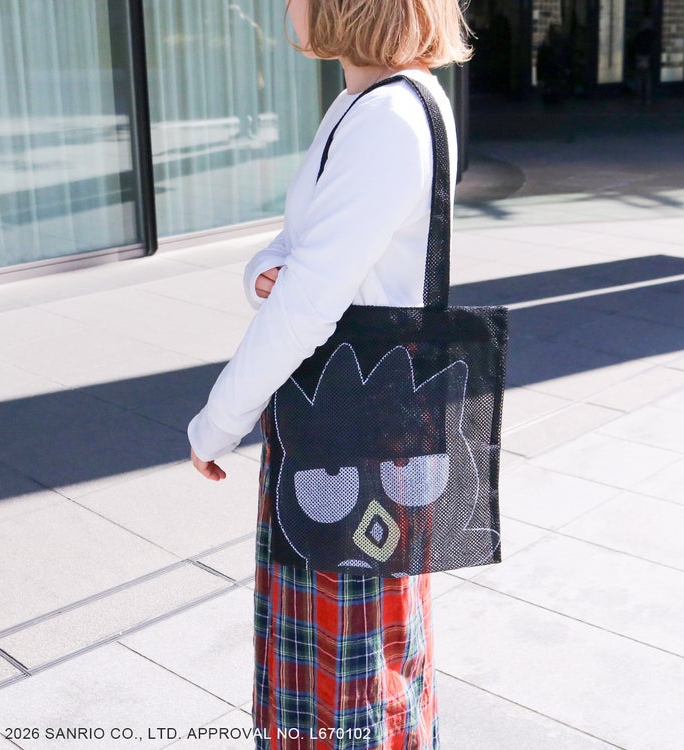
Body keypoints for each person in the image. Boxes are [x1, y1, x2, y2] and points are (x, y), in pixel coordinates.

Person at [187, 0, 470, 747]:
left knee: (351, 680)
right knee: (354, 663)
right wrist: (263, 269)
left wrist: (217, 422)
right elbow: (299, 250)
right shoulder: (364, 103)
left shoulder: (386, 118)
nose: (287, 5)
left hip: (355, 434)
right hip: (356, 422)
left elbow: (307, 304)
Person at [632, 18, 655, 105]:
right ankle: (648, 99)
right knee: (647, 80)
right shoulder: (652, 36)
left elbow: (634, 45)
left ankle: (638, 98)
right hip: (648, 58)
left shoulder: (639, 35)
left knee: (639, 79)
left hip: (639, 57)